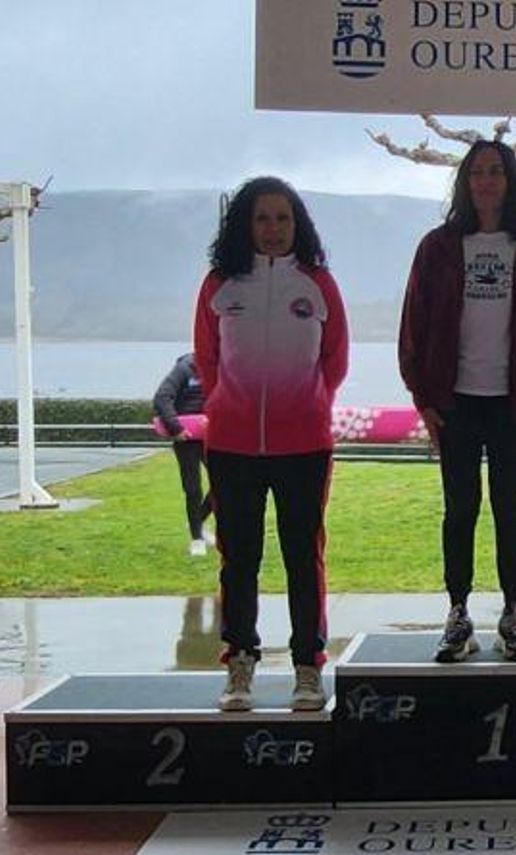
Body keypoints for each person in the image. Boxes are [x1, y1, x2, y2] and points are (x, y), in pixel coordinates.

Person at [399, 141, 516, 664]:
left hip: (513, 406)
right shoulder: (438, 247)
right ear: (465, 182)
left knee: (510, 512)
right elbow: (414, 324)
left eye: (496, 172)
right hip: (455, 405)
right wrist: (423, 398)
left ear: (511, 180)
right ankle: (457, 614)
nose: (486, 181)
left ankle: (513, 613)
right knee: (460, 511)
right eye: (477, 172)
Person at [194, 176, 349, 713]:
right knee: (239, 558)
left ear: (297, 224)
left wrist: (305, 408)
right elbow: (207, 361)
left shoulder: (317, 284)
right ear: (245, 224)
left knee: (303, 557)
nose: (273, 229)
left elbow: (335, 362)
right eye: (262, 218)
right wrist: (228, 409)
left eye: (283, 218)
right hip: (233, 446)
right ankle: (240, 662)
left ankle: (308, 666)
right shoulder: (220, 285)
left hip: (304, 445)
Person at [153, 352, 214, 556]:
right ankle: (196, 539)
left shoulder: (221, 367)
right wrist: (176, 428)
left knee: (224, 483)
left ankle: (197, 522)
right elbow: (162, 398)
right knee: (193, 487)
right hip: (185, 437)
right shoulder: (184, 368)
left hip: (211, 435)